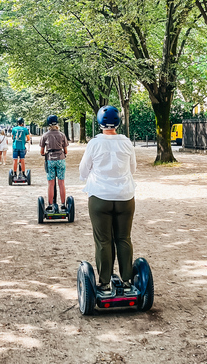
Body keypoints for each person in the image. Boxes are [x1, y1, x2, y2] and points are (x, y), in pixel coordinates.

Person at [79, 105, 137, 292]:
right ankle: (127, 281)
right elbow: (133, 169)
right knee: (123, 238)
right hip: (125, 197)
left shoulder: (94, 143)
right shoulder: (127, 142)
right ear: (118, 122)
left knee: (103, 240)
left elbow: (83, 171)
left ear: (99, 122)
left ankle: (104, 283)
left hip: (100, 197)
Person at [40, 115, 69, 213]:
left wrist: (45, 153)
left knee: (51, 184)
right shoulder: (62, 135)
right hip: (60, 159)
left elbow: (41, 152)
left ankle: (50, 205)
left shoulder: (45, 135)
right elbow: (66, 151)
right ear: (57, 123)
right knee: (61, 183)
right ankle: (63, 204)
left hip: (50, 160)